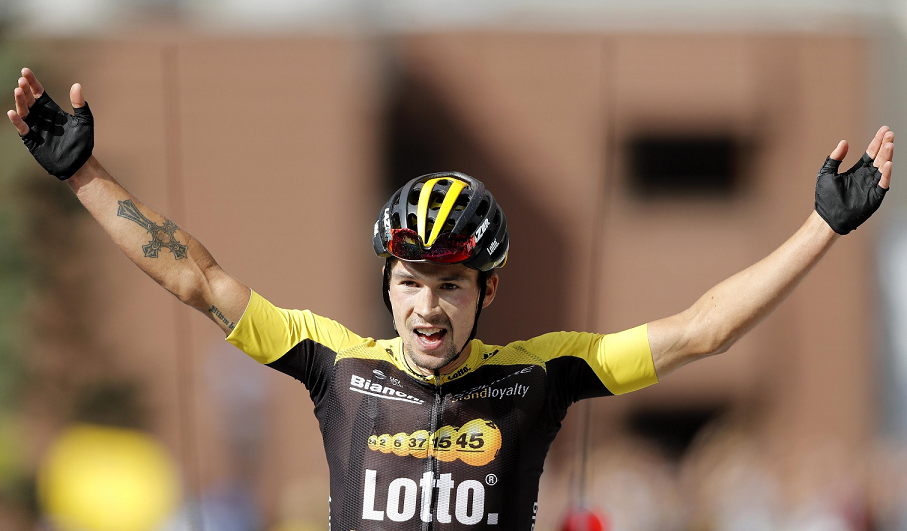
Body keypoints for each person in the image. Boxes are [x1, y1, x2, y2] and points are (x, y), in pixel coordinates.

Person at [7, 68, 895, 530]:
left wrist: (822, 227)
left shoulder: (545, 373)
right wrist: (84, 173)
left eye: (449, 286)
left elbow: (705, 330)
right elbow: (194, 277)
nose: (426, 308)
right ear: (385, 286)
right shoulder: (333, 362)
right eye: (408, 283)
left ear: (486, 290)